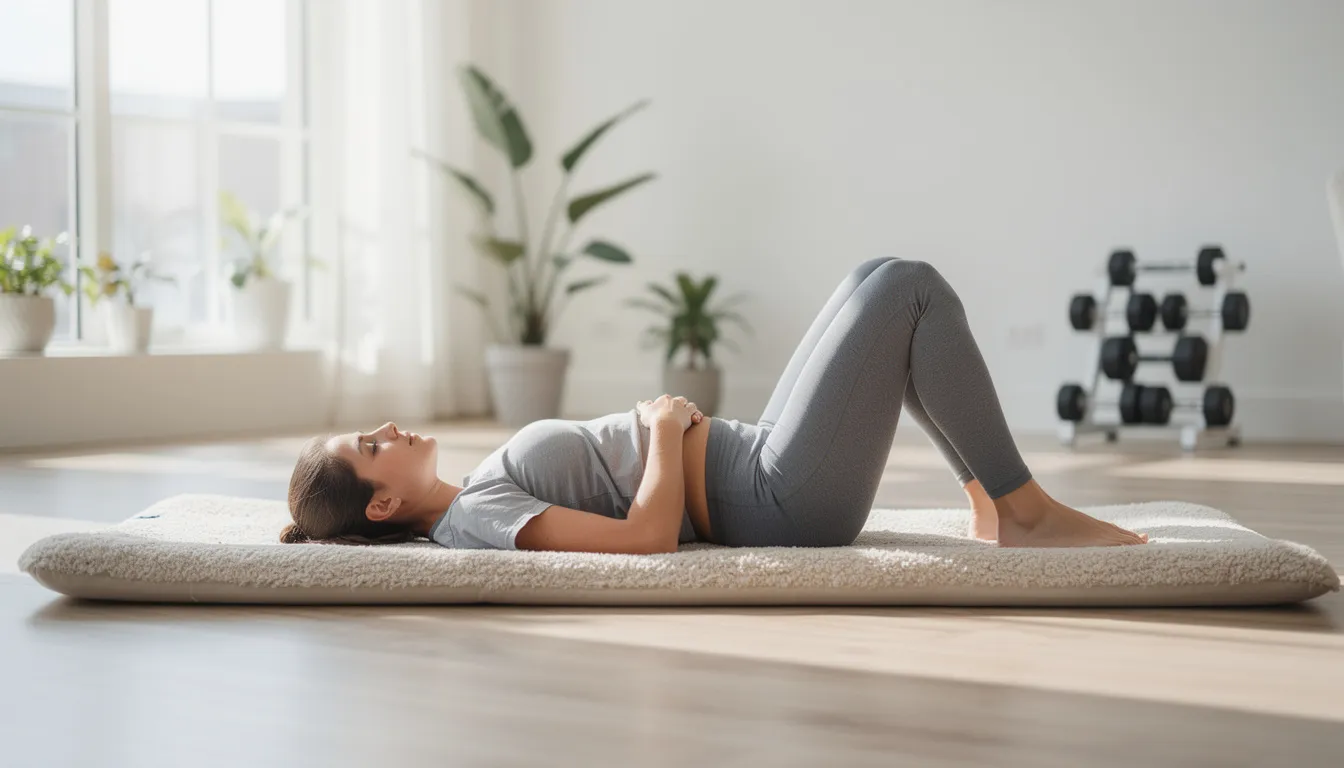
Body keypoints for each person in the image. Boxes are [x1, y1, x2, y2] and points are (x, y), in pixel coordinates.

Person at [284, 258, 1147, 552]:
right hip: (778, 497)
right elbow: (647, 541)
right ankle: (1024, 508)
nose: (390, 427)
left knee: (875, 279)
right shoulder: (476, 519)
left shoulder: (473, 494)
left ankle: (990, 504)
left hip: (758, 455)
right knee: (910, 291)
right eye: (371, 443)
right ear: (382, 500)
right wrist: (661, 430)